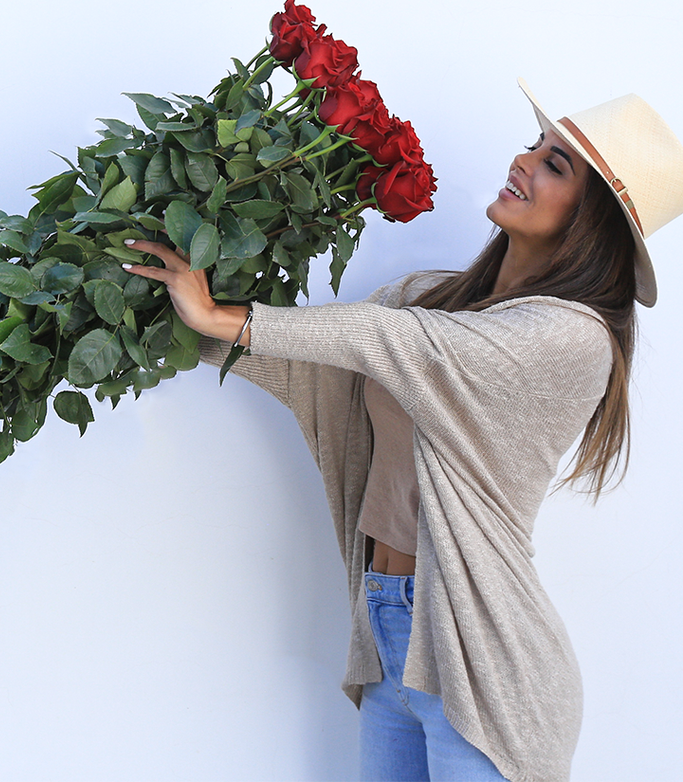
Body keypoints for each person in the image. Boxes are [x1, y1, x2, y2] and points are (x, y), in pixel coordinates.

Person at [121, 79, 683, 782]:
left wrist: (222, 318)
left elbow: (395, 342)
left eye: (555, 163)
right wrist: (159, 313)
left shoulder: (573, 338)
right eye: (536, 144)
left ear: (591, 220)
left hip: (485, 672)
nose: (523, 159)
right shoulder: (429, 297)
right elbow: (314, 367)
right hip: (390, 637)